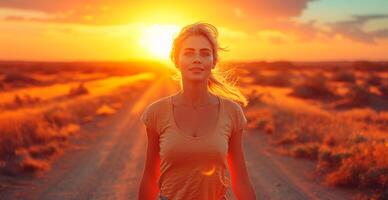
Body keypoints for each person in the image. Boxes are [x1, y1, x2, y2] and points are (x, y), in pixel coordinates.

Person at [138, 21, 256, 200]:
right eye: (188, 53)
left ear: (213, 62)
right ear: (176, 60)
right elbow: (150, 177)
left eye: (205, 53)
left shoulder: (232, 112)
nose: (197, 59)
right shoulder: (156, 112)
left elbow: (241, 179)